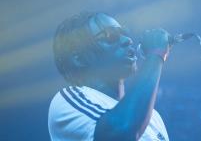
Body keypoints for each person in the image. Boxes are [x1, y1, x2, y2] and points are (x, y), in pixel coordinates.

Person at [48, 11, 171, 141]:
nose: (127, 40)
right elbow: (121, 132)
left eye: (124, 32)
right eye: (111, 35)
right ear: (78, 59)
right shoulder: (68, 99)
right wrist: (155, 55)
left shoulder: (152, 117)